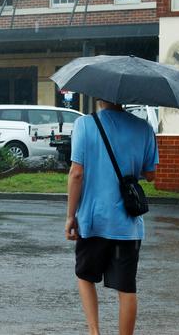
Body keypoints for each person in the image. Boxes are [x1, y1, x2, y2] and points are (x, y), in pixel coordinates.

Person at [65, 99, 158, 335]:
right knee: (126, 288)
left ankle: (94, 332)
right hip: (128, 224)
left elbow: (76, 173)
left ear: (99, 96)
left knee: (85, 276)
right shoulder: (144, 128)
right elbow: (151, 174)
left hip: (93, 220)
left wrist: (70, 216)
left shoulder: (84, 124)